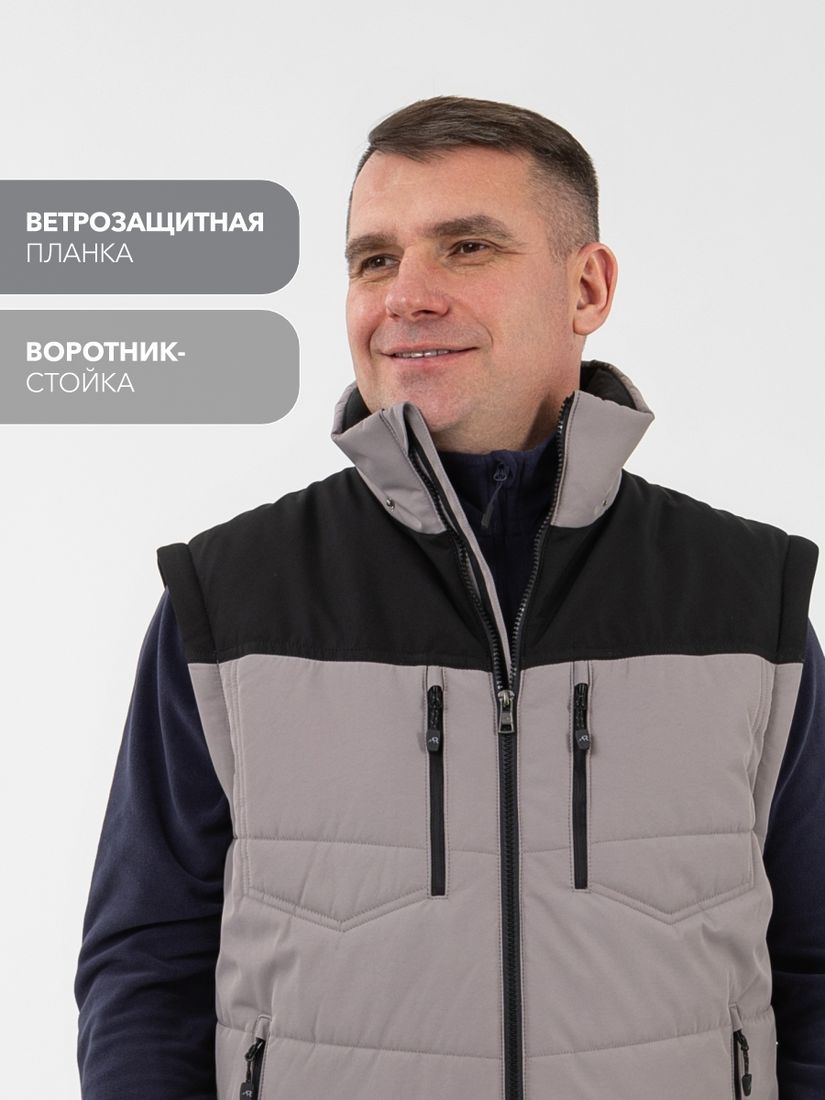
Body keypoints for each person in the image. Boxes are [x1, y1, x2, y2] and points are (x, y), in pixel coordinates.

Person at [75, 96, 824, 1099]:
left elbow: (814, 963)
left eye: (466, 246)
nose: (406, 295)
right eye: (373, 259)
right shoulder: (230, 603)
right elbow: (147, 968)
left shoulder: (746, 601)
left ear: (587, 287)